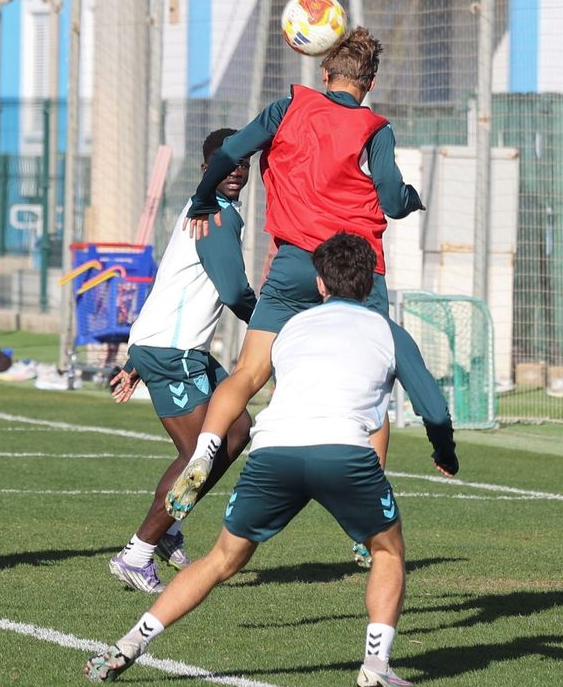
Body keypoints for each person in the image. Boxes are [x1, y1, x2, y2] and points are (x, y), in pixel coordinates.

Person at [84, 233, 459, 687]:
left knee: (222, 558)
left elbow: (270, 382)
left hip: (273, 448)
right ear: (371, 284)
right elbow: (434, 410)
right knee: (388, 550)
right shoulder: (388, 332)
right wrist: (445, 451)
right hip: (342, 451)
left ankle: (129, 643)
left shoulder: (292, 328)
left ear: (320, 284)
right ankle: (375, 665)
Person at [182, 29, 425, 558]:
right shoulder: (374, 127)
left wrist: (202, 198)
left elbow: (229, 152)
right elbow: (391, 197)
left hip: (293, 262)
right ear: (371, 83)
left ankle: (203, 453)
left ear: (323, 72)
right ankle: (368, 524)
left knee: (248, 372)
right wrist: (412, 199)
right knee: (373, 396)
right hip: (355, 269)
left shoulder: (288, 106)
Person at [104, 128, 258, 594]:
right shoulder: (213, 215)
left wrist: (134, 358)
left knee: (237, 429)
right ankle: (138, 552)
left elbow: (173, 282)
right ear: (208, 167)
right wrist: (277, 323)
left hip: (180, 349)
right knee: (200, 457)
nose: (236, 170)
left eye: (243, 162)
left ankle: (167, 530)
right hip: (173, 354)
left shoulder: (208, 206)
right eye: (226, 162)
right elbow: (233, 292)